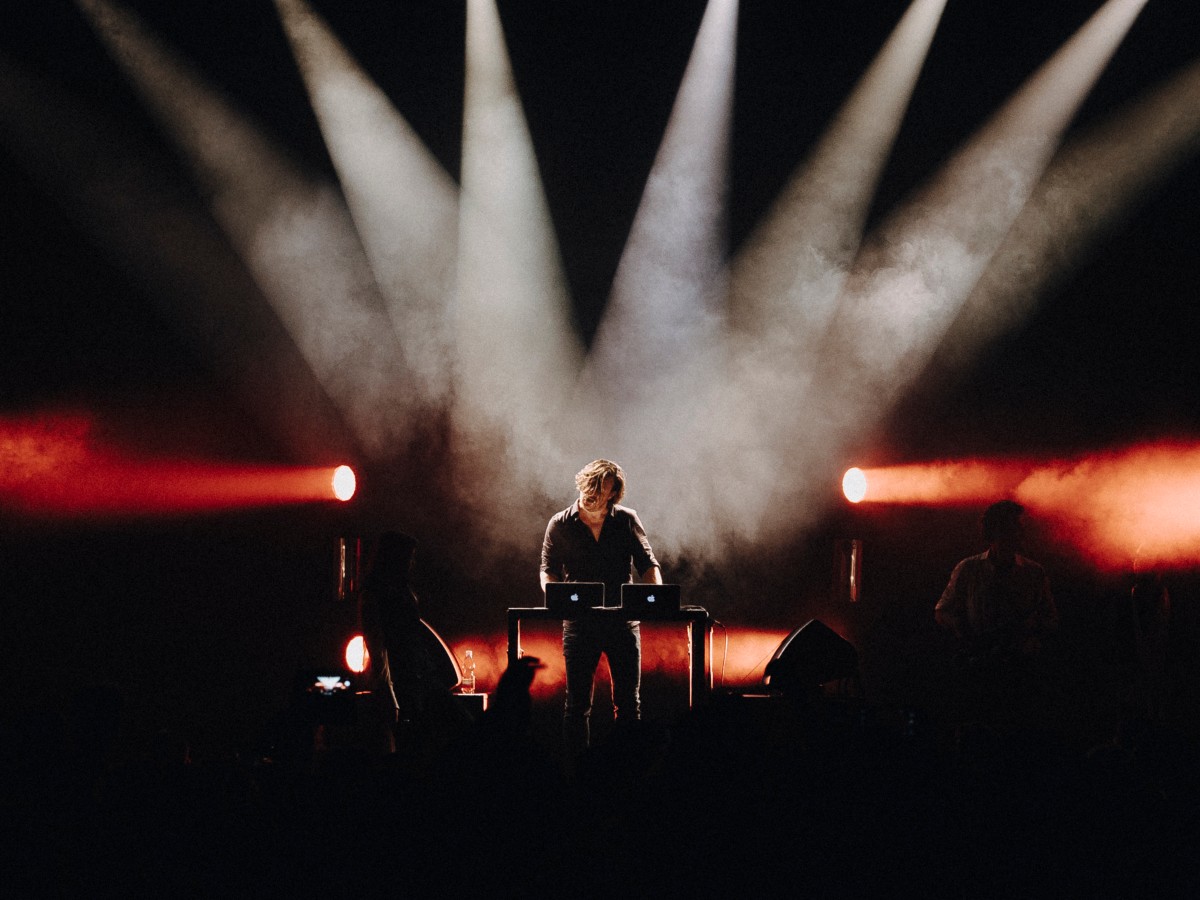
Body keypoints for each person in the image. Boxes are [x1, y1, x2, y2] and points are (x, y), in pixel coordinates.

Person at [540, 459, 662, 756]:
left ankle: (627, 772)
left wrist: (655, 597)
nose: (592, 497)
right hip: (579, 624)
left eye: (600, 492)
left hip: (623, 622)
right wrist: (554, 594)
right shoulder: (560, 523)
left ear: (612, 494)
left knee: (628, 704)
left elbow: (649, 565)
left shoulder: (626, 520)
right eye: (589, 489)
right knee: (577, 705)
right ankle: (577, 776)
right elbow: (547, 570)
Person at [935, 500, 1059, 730]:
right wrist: (961, 631)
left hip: (1019, 671)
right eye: (1016, 526)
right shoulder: (968, 569)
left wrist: (1033, 637)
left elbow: (1051, 619)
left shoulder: (1034, 573)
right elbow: (942, 610)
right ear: (998, 529)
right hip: (978, 670)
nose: (1023, 532)